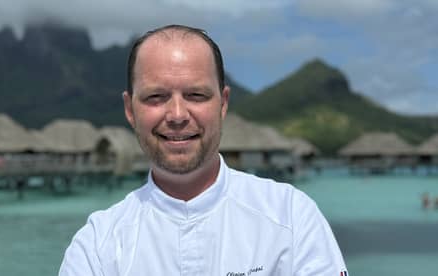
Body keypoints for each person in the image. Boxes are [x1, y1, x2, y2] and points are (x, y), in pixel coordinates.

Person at [59, 24, 348, 276]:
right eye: (156, 97)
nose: (176, 115)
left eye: (196, 95)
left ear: (222, 104)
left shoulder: (291, 217)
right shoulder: (97, 246)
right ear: (129, 109)